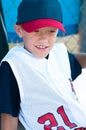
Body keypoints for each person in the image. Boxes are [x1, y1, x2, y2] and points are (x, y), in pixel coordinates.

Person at [0, 0, 86, 130]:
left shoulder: (58, 53)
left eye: (51, 31)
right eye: (36, 31)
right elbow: (9, 117)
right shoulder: (14, 65)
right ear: (19, 30)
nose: (44, 38)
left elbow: (74, 60)